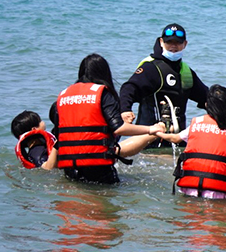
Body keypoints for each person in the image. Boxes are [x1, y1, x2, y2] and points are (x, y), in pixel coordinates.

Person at [51, 53, 165, 184]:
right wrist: (151, 129)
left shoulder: (64, 95)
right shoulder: (102, 92)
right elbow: (119, 128)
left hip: (70, 168)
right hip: (98, 168)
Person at [119, 23, 209, 146]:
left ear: (185, 44)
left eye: (177, 43)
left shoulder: (186, 71)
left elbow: (206, 97)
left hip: (177, 140)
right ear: (161, 42)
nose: (173, 46)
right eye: (169, 42)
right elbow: (129, 89)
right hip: (149, 140)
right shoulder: (151, 67)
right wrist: (125, 110)